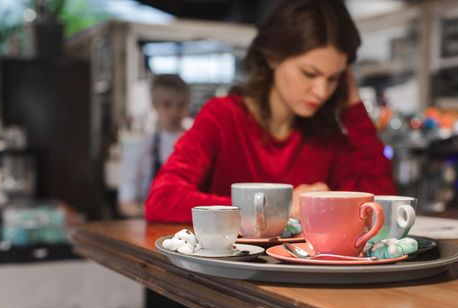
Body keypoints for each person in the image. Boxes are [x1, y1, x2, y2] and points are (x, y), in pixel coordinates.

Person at [145, 0, 396, 224]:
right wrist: (278, 209)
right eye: (309, 73)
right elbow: (162, 199)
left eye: (334, 79)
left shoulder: (325, 135)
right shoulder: (223, 116)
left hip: (303, 274)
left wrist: (352, 106)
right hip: (225, 273)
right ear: (273, 56)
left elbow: (380, 208)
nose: (321, 91)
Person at [117, 74, 190, 218]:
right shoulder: (140, 149)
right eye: (167, 104)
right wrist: (155, 210)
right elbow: (126, 202)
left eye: (180, 104)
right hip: (151, 226)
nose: (174, 112)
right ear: (154, 104)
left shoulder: (196, 146)